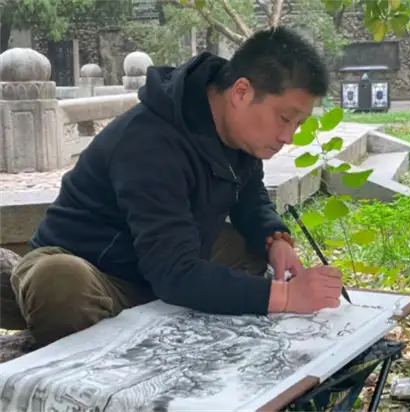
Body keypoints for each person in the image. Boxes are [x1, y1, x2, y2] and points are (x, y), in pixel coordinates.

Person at [5, 26, 344, 348]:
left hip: (167, 258)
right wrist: (286, 296)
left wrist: (274, 239)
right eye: (284, 119)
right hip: (101, 273)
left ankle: (173, 310)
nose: (288, 137)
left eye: (298, 124)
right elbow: (173, 272)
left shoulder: (237, 133)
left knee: (248, 247)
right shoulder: (150, 141)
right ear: (241, 92)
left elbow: (249, 196)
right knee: (59, 282)